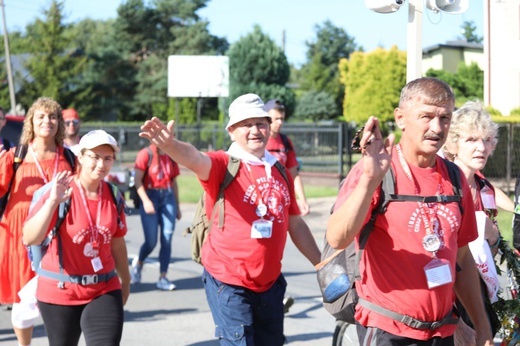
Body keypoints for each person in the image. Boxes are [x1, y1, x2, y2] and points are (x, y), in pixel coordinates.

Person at [139, 93, 321, 345]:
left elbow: (296, 224)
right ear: (232, 130)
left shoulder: (279, 170)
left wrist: (322, 264)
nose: (255, 130)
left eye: (261, 123)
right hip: (229, 282)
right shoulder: (224, 164)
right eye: (247, 124)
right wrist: (170, 145)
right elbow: (194, 158)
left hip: (270, 284)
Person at [326, 77, 493, 345]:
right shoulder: (377, 171)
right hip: (388, 329)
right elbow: (337, 238)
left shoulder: (454, 177)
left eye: (445, 118)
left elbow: (461, 259)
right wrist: (369, 180)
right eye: (426, 117)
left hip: (442, 331)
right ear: (401, 118)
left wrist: (481, 325)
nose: (437, 128)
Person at [22, 130, 130, 346]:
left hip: (104, 287)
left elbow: (117, 242)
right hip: (60, 291)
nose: (101, 164)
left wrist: (125, 279)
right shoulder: (61, 191)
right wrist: (52, 202)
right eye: (95, 157)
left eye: (107, 158)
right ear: (80, 157)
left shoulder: (113, 194)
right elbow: (30, 237)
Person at [0, 97, 75, 346]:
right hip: (20, 237)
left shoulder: (69, 158)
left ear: (59, 123)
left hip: (57, 234)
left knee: (57, 296)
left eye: (53, 116)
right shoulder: (16, 155)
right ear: (31, 121)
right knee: (23, 302)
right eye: (41, 116)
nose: (47, 121)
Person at [442, 100, 514, 343]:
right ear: (453, 144)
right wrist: (456, 322)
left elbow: (489, 250)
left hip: (478, 295)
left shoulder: (483, 187)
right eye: (471, 140)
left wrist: (492, 236)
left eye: (486, 140)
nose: (480, 147)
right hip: (447, 298)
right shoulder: (444, 185)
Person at [130, 144, 182, 291]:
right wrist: (146, 201)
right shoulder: (145, 154)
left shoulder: (171, 154)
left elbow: (174, 182)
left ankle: (163, 277)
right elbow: (137, 180)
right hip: (150, 195)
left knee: (167, 238)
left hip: (168, 196)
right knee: (151, 241)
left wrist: (177, 206)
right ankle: (139, 263)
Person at [264, 99, 310, 216]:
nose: (280, 122)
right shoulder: (258, 141)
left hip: (280, 199)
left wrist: (302, 199)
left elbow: (293, 173)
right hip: (260, 198)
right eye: (276, 119)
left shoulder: (285, 141)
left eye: (282, 119)